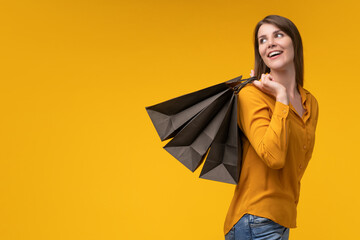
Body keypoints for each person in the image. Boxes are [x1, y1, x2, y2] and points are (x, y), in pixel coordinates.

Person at [224, 15, 319, 240]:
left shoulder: (310, 103)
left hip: (282, 219)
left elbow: (297, 163)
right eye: (263, 40)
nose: (271, 43)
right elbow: (274, 157)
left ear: (294, 42)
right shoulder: (250, 96)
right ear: (260, 52)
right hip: (256, 219)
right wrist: (281, 97)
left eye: (278, 35)